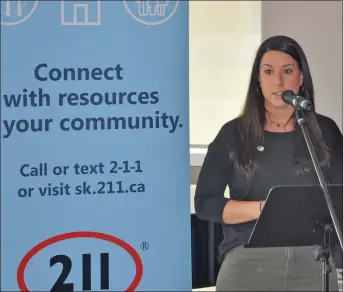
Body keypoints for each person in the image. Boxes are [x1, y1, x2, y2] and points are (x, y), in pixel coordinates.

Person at [194, 35, 343, 291]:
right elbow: (206, 203)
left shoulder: (325, 130)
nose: (278, 81)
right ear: (258, 80)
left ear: (301, 78)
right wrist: (266, 210)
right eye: (268, 71)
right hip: (250, 260)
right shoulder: (233, 134)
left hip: (315, 262)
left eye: (287, 71)